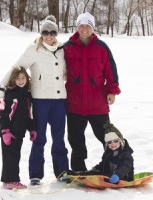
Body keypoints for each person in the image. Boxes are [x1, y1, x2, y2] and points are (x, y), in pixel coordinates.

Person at [0, 15, 69, 186]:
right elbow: (16, 68)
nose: (48, 36)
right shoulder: (33, 49)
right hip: (40, 100)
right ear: (41, 33)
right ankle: (36, 174)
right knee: (39, 137)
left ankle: (63, 172)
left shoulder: (63, 49)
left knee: (59, 138)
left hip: (59, 100)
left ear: (56, 33)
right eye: (45, 32)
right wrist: (1, 89)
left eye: (52, 32)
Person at [62, 12, 121, 171]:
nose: (84, 29)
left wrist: (112, 90)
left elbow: (111, 70)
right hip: (74, 103)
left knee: (107, 137)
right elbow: (55, 68)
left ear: (93, 28)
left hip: (97, 103)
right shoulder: (67, 47)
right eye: (81, 25)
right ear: (77, 27)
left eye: (88, 25)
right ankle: (78, 169)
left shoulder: (101, 47)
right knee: (76, 140)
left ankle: (113, 166)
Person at [0, 67, 37, 189]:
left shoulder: (27, 95)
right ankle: (9, 180)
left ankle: (11, 180)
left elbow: (27, 114)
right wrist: (5, 131)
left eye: (23, 78)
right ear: (13, 80)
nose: (21, 81)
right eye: (18, 78)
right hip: (9, 133)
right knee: (10, 157)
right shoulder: (11, 95)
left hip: (19, 133)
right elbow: (4, 114)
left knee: (15, 157)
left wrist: (32, 129)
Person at [64, 122, 134, 184]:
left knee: (100, 177)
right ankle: (75, 175)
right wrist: (96, 168)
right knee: (92, 173)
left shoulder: (126, 154)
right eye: (109, 142)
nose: (113, 144)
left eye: (115, 141)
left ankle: (82, 178)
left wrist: (117, 175)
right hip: (107, 175)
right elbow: (104, 164)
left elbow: (126, 167)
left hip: (123, 178)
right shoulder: (108, 153)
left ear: (121, 141)